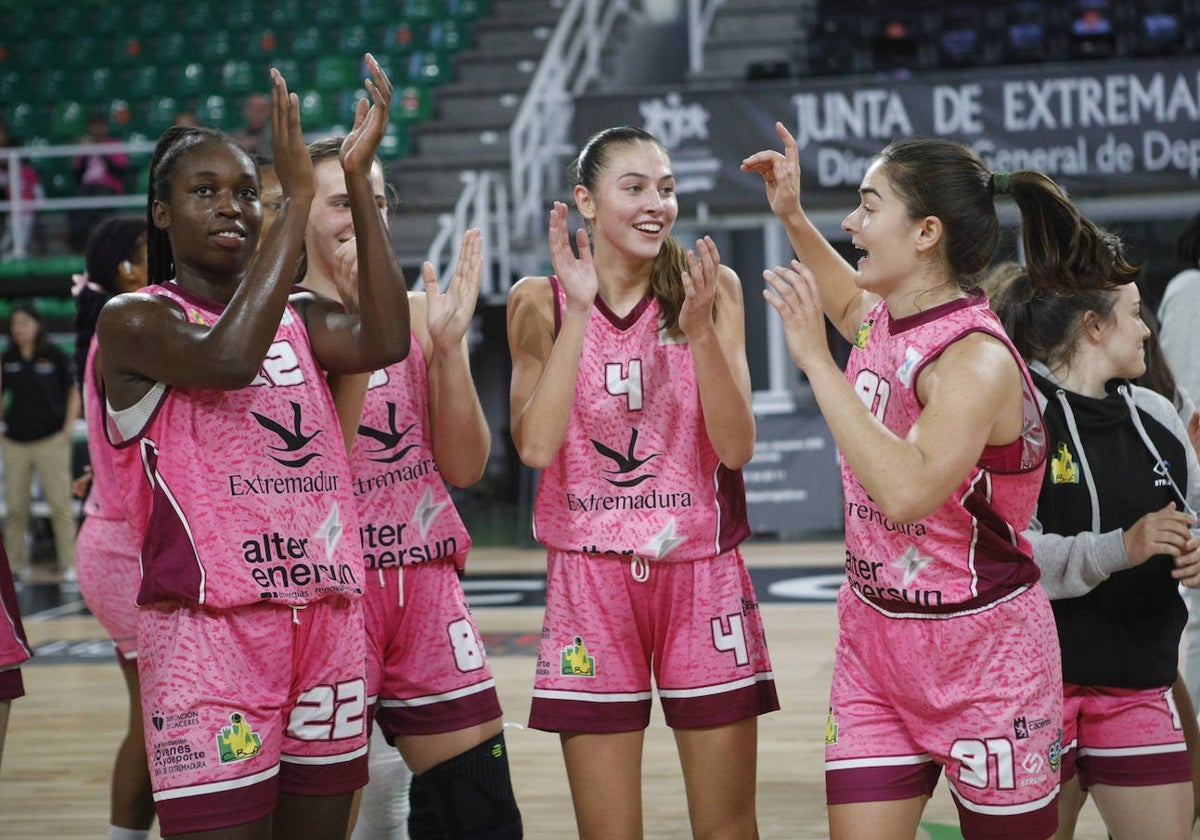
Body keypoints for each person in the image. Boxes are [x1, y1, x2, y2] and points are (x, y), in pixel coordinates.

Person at [95, 56, 409, 838]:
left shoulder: (300, 313)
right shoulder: (136, 319)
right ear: (162, 215)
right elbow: (229, 360)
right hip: (210, 631)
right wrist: (299, 198)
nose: (231, 207)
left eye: (243, 191)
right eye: (205, 192)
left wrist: (360, 189)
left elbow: (385, 337)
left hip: (325, 620)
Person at [741, 124, 1073, 839]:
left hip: (985, 658)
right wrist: (791, 215)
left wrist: (815, 366)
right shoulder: (886, 321)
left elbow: (907, 491)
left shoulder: (975, 359)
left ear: (926, 232)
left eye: (866, 206)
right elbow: (844, 306)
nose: (850, 224)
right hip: (875, 647)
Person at [507, 125, 778, 839]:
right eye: (634, 188)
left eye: (666, 188)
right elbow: (535, 446)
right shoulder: (537, 300)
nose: (657, 203)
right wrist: (577, 311)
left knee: (726, 827)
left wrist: (702, 333)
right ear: (585, 203)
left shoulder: (710, 288)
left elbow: (737, 446)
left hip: (701, 572)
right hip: (588, 579)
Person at [298, 135, 521, 839]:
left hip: (424, 587)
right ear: (301, 210)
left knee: (483, 817)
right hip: (331, 596)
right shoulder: (277, 326)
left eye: (376, 196)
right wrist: (365, 325)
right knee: (318, 821)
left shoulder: (421, 317)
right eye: (344, 199)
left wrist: (449, 354)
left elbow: (464, 467)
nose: (366, 211)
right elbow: (317, 475)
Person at [988, 253, 1200, 840]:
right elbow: (1014, 556)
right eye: (1134, 314)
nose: (1147, 329)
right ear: (1094, 327)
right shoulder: (1020, 416)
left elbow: (1197, 517)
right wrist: (1119, 548)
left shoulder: (1159, 417)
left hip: (1135, 686)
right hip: (1035, 694)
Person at [72, 216, 155, 840]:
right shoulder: (127, 331)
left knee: (161, 721)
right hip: (124, 551)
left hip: (120, 540)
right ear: (126, 269)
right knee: (160, 722)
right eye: (156, 252)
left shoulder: (117, 330)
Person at [0, 302, 81, 582]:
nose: (18, 329)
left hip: (50, 440)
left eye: (23, 323)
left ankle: (70, 564)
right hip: (15, 442)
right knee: (15, 508)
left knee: (60, 505)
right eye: (14, 324)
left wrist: (68, 428)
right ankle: (15, 567)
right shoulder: (7, 357)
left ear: (37, 325)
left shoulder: (54, 355)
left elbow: (74, 390)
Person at [69, 110, 130, 252]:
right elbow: (77, 174)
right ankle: (81, 245)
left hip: (108, 187)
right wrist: (85, 153)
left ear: (106, 127)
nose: (96, 130)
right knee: (77, 205)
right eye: (93, 126)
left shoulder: (114, 144)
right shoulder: (85, 146)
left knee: (94, 205)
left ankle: (95, 245)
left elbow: (119, 171)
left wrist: (100, 150)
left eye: (99, 126)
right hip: (88, 187)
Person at [0, 117, 44, 260]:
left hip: (19, 204)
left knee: (17, 224)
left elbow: (35, 186)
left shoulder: (19, 161)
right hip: (6, 200)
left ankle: (17, 251)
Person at [233, 93, 273, 159]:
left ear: (267, 111)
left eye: (259, 110)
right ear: (246, 111)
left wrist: (258, 145)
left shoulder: (275, 135)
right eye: (252, 110)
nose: (256, 115)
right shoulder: (239, 135)